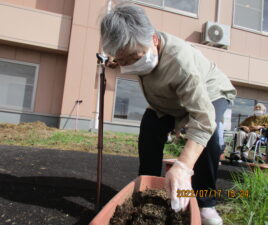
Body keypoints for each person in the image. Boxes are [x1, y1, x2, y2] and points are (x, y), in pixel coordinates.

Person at [100, 3, 236, 225]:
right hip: (169, 100)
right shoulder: (133, 50)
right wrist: (116, 62)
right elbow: (125, 57)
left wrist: (183, 166)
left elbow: (203, 118)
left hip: (209, 93)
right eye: (123, 60)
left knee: (208, 138)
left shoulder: (180, 63)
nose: (130, 65)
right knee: (149, 129)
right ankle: (147, 188)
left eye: (134, 57)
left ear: (153, 39)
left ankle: (206, 204)